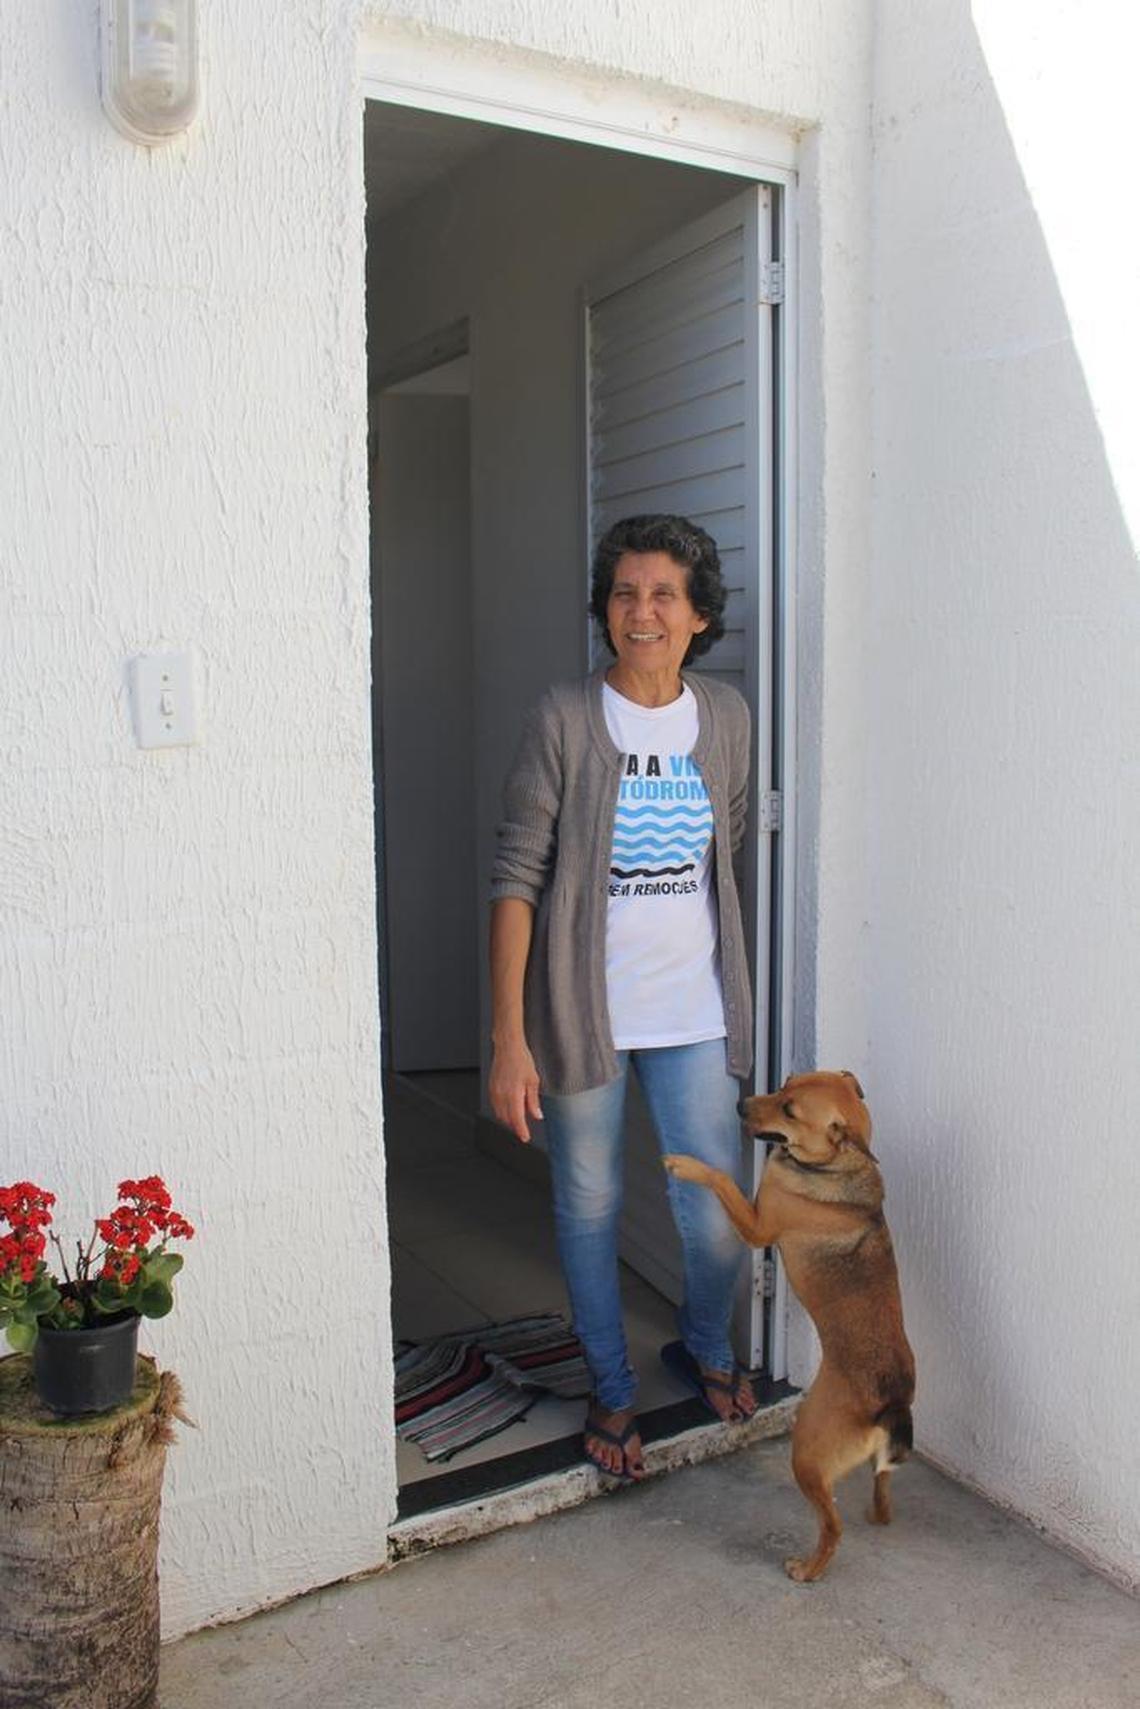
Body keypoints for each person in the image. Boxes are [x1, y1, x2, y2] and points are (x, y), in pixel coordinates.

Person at [489, 513, 756, 1482]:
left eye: (663, 594)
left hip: (694, 1010)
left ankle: (705, 1344)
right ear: (606, 608)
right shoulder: (564, 716)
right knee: (589, 1204)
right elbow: (517, 875)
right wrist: (508, 1036)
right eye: (625, 592)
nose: (642, 611)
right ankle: (611, 1384)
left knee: (716, 1211)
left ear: (697, 614)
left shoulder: (724, 717)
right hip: (580, 1012)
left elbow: (724, 841)